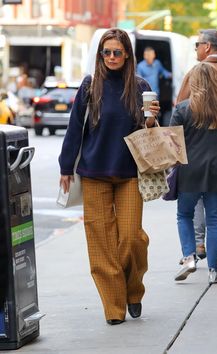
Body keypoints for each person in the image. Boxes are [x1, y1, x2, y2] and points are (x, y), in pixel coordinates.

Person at [59, 28, 160, 325]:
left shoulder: (140, 86)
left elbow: (151, 135)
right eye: (107, 52)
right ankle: (114, 309)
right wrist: (66, 168)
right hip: (94, 174)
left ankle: (133, 290)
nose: (112, 57)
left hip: (129, 174)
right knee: (101, 243)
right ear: (100, 55)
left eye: (117, 52)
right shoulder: (90, 86)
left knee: (131, 239)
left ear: (127, 54)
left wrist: (152, 119)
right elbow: (74, 128)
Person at [170, 62, 217, 284]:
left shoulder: (182, 109)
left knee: (184, 214)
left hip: (190, 170)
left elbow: (173, 144)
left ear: (194, 83)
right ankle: (214, 271)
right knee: (215, 220)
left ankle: (189, 257)